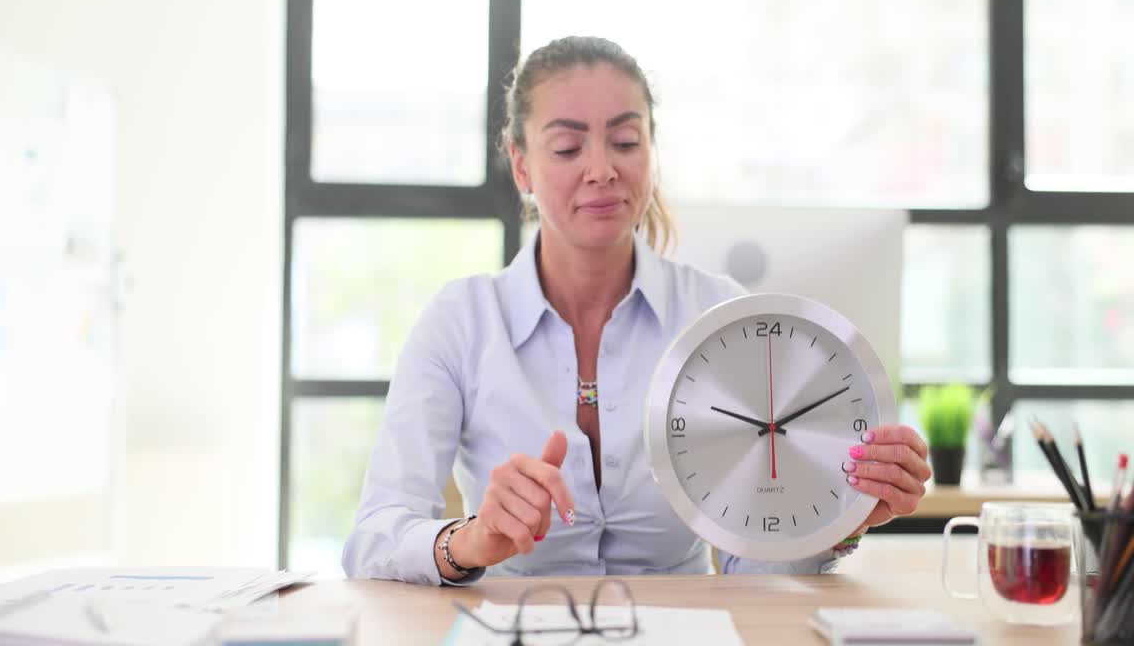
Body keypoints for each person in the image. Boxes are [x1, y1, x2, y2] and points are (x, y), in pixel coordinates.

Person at [342, 36, 932, 585]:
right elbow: (374, 537)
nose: (602, 169)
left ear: (651, 150)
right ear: (521, 164)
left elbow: (751, 567)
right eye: (568, 147)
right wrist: (470, 541)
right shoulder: (462, 321)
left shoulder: (719, 316)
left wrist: (844, 517)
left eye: (626, 142)